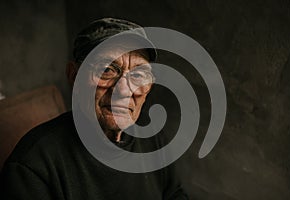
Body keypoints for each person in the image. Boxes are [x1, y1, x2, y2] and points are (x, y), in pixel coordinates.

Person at [0, 18, 188, 199]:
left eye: (139, 74)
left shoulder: (151, 137)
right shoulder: (32, 166)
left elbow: (174, 194)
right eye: (107, 70)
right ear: (74, 76)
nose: (123, 90)